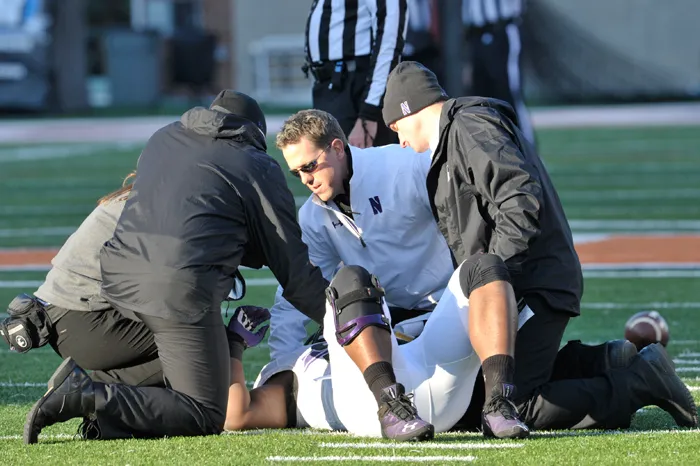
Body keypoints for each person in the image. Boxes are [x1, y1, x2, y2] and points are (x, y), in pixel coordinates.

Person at [381, 61, 698, 433]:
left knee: (508, 405)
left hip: (535, 282)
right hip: (530, 279)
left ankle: (640, 381)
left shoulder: (468, 126)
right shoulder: (457, 136)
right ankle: (609, 360)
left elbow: (519, 198)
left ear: (411, 107)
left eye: (396, 126)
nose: (398, 139)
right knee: (481, 394)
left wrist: (498, 284)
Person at [22, 90, 330, 444]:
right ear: (254, 137)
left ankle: (109, 415)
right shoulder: (251, 163)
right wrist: (340, 325)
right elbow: (291, 269)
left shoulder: (165, 140)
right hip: (125, 305)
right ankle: (92, 395)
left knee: (192, 358)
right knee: (206, 410)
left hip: (114, 288)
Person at [269, 108, 454, 361]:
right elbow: (296, 289)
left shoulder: (403, 165)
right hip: (387, 319)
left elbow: (466, 224)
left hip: (450, 306)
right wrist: (282, 362)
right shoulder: (313, 216)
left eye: (310, 166)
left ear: (337, 148)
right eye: (296, 172)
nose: (305, 180)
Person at [0, 175, 163, 388]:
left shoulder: (140, 197)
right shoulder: (157, 206)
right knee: (198, 338)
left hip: (68, 321)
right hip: (85, 322)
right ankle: (94, 395)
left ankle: (101, 404)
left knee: (189, 332)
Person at [303, 0, 408, 148]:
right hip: (331, 86)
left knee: (359, 166)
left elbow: (389, 41)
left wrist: (369, 112)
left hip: (355, 88)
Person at [461, 0, 535, 144]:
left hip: (502, 30)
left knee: (509, 96)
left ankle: (528, 152)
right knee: (479, 102)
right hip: (474, 35)